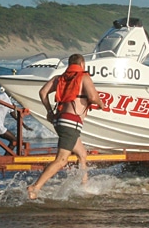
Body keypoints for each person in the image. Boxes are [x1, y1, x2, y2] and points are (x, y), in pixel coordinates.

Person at [27, 54, 105, 199]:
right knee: (61, 160)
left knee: (82, 154)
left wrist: (49, 111)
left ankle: (84, 187)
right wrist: (101, 104)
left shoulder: (59, 78)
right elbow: (93, 97)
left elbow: (43, 92)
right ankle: (35, 187)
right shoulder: (84, 77)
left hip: (59, 120)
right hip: (71, 122)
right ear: (82, 64)